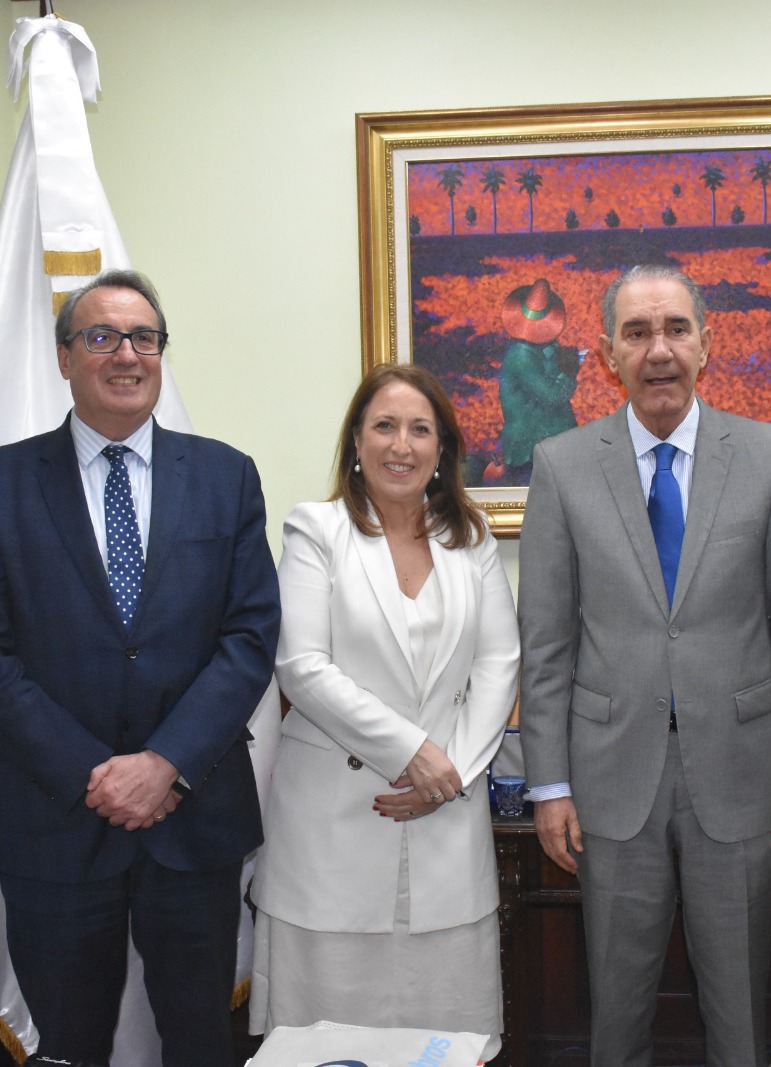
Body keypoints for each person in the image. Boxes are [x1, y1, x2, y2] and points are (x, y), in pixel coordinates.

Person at [0, 269, 280, 1067]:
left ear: (161, 353)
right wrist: (95, 774)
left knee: (201, 1044)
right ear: (64, 357)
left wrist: (165, 763)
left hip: (193, 820)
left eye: (144, 338)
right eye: (102, 337)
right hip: (56, 823)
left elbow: (249, 636)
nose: (127, 354)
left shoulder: (227, 475)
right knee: (69, 1047)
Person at [517, 264, 771, 1066]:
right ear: (607, 353)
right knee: (616, 1011)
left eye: (675, 329)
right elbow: (547, 643)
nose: (657, 349)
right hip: (608, 779)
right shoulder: (561, 464)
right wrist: (548, 784)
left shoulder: (770, 456)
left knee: (739, 1013)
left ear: (706, 343)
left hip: (741, 773)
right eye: (636, 333)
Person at [250, 363, 520, 1055]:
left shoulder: (473, 540)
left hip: (445, 821)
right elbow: (301, 665)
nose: (402, 445)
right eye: (385, 426)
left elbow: (499, 663)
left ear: (442, 449)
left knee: (444, 1041)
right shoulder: (316, 529)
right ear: (356, 441)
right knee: (324, 1045)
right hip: (331, 837)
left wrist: (450, 771)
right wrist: (413, 753)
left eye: (420, 429)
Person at [498, 277, 581, 484]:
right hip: (530, 450)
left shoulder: (545, 347)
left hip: (554, 444)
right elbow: (552, 396)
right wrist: (568, 372)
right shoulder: (521, 355)